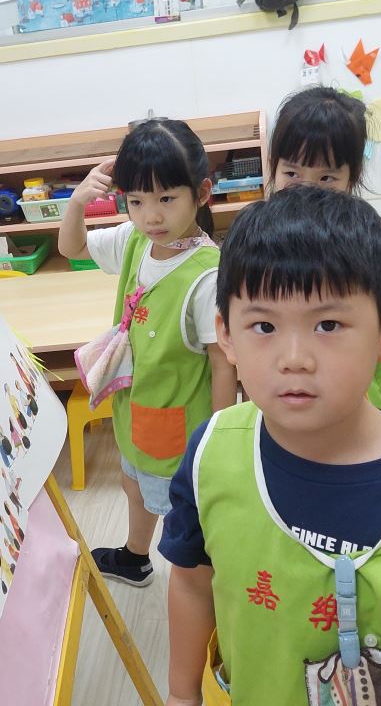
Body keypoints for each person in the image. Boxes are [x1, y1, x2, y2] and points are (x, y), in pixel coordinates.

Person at [161, 187, 381, 706]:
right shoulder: (211, 453)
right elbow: (192, 581)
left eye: (328, 325)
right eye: (263, 326)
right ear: (226, 335)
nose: (294, 358)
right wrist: (181, 695)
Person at [60, 118, 237, 586]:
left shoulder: (207, 274)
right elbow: (72, 246)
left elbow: (223, 365)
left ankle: (202, 587)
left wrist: (218, 440)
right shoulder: (134, 240)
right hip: (135, 408)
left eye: (166, 199)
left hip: (180, 431)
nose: (151, 216)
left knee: (183, 517)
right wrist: (77, 202)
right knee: (132, 484)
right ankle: (136, 557)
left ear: (201, 193)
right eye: (136, 201)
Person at [269, 86, 381, 425]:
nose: (307, 190)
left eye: (326, 177)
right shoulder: (262, 247)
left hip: (368, 395)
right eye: (292, 174)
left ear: (351, 178)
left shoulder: (366, 245)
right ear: (274, 168)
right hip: (293, 393)